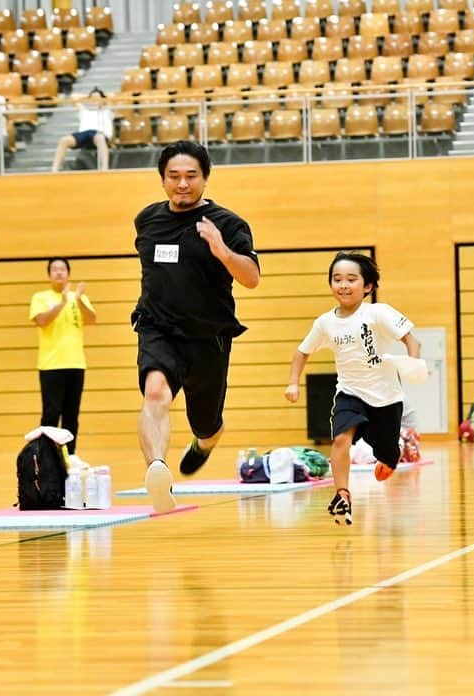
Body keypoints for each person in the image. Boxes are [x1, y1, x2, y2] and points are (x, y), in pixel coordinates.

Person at [133, 140, 260, 514]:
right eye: (174, 176)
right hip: (158, 328)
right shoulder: (147, 220)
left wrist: (222, 251)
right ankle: (157, 470)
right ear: (162, 179)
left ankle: (206, 440)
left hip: (209, 337)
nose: (182, 184)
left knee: (206, 423)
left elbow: (251, 278)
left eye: (191, 176)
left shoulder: (229, 224)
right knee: (155, 393)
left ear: (205, 178)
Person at [285, 252, 421, 526]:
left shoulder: (378, 313)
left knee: (387, 458)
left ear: (368, 286)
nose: (343, 285)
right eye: (337, 279)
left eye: (351, 279)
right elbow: (302, 352)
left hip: (386, 398)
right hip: (350, 393)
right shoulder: (325, 322)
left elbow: (410, 339)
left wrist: (414, 362)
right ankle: (342, 494)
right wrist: (293, 382)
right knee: (340, 439)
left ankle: (392, 453)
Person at [29, 258, 96, 467]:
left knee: (71, 413)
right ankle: (46, 456)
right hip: (51, 365)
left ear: (68, 273)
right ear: (49, 274)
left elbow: (91, 319)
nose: (59, 273)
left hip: (76, 363)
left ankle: (71, 455)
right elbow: (41, 320)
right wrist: (63, 303)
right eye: (55, 269)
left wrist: (77, 300)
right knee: (51, 412)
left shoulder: (78, 297)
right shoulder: (41, 297)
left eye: (63, 269)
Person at [51, 88, 114, 173]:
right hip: (83, 134)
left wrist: (101, 98)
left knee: (100, 138)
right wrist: (88, 97)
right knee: (64, 140)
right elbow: (73, 97)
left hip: (98, 134)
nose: (94, 100)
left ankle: (104, 168)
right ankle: (55, 169)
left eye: (97, 98)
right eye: (92, 98)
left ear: (103, 100)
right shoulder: (84, 110)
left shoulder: (107, 110)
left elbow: (112, 96)